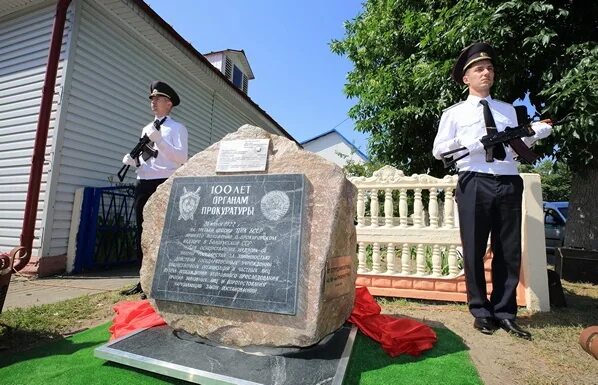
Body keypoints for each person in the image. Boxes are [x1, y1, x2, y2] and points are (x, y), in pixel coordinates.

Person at [432, 42, 552, 339]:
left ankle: (505, 312)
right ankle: (481, 311)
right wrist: (473, 142)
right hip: (474, 180)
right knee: (473, 247)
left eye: (489, 69)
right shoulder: (455, 113)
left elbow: (515, 148)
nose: (486, 72)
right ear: (466, 78)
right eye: (479, 69)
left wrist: (534, 134)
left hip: (508, 179)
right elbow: (439, 150)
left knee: (508, 249)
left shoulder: (508, 110)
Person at [121, 81, 188, 298]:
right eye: (151, 99)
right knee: (142, 231)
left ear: (169, 103)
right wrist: (134, 161)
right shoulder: (147, 128)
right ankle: (143, 280)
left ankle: (161, 280)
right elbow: (148, 155)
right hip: (143, 181)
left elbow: (181, 159)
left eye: (158, 99)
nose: (153, 102)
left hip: (164, 182)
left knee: (161, 231)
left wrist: (161, 141)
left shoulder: (177, 128)